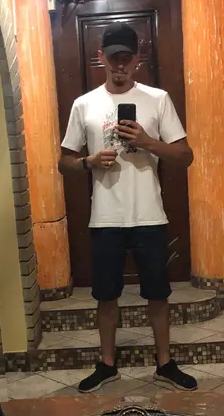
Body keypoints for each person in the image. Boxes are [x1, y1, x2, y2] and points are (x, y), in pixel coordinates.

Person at [59, 22, 197, 394]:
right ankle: (107, 365)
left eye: (126, 57)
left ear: (138, 59)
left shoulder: (158, 99)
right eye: (113, 57)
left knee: (158, 294)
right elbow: (64, 162)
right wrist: (88, 162)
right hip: (105, 217)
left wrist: (148, 142)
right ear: (100, 58)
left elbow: (185, 156)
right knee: (105, 295)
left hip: (149, 214)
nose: (119, 65)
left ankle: (165, 363)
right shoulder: (84, 104)